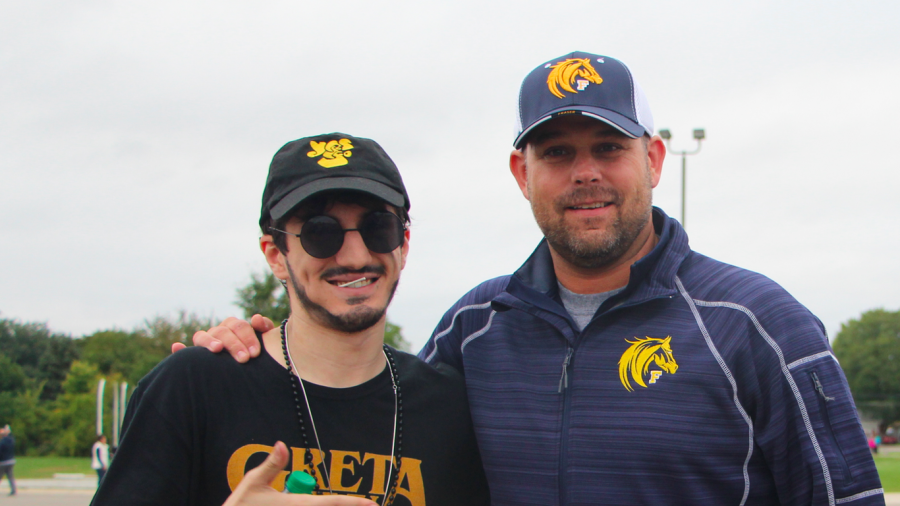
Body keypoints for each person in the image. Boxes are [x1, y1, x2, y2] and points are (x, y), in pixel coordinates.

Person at [192, 52, 884, 505]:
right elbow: (366, 425)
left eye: (608, 148)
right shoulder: (472, 329)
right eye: (557, 152)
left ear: (654, 158)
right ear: (523, 174)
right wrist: (251, 351)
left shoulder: (758, 324)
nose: (585, 172)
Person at [94, 134, 490, 506]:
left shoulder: (454, 408)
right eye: (321, 233)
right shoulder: (192, 389)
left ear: (403, 244)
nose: (354, 256)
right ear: (275, 255)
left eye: (377, 227)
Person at [0, 425, 15, 496]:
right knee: (10, 476)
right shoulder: (11, 440)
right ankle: (13, 490)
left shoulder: (2, 442)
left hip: (4, 462)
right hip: (11, 460)